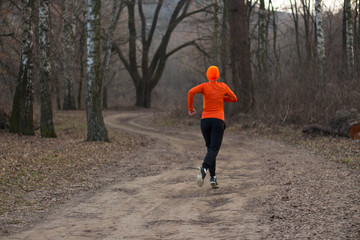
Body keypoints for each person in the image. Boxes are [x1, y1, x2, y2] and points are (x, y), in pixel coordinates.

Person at [188, 66, 237, 188]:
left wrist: (191, 108)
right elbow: (234, 98)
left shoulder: (204, 86)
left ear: (208, 75)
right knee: (214, 148)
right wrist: (222, 98)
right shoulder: (223, 86)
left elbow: (190, 92)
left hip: (205, 121)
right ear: (218, 75)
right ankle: (204, 169)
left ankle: (213, 178)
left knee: (211, 149)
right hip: (217, 121)